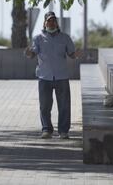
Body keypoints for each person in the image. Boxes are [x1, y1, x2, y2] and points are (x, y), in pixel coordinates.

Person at [25, 11, 82, 139]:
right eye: (49, 21)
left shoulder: (65, 38)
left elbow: (71, 54)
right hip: (44, 77)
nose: (51, 23)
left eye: (53, 20)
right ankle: (46, 129)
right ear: (45, 23)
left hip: (61, 76)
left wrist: (76, 55)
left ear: (56, 23)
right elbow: (33, 53)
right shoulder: (38, 38)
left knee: (64, 106)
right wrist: (28, 53)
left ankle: (63, 131)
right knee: (45, 106)